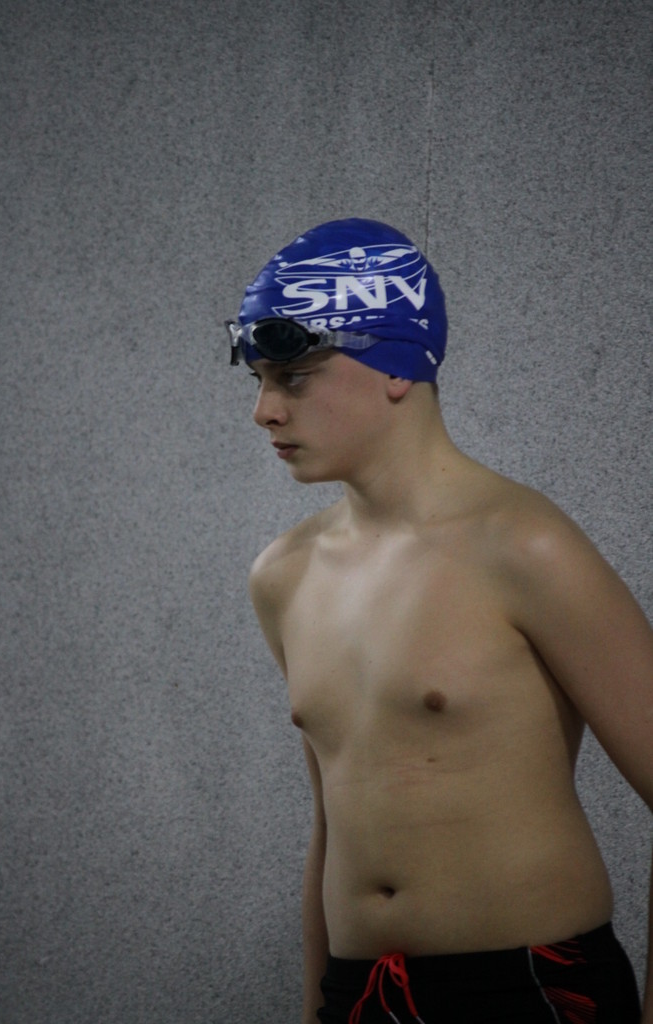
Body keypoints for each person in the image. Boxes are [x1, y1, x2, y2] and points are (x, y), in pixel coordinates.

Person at [228, 218, 652, 1023]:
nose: (263, 411)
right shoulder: (283, 576)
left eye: (291, 378)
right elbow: (334, 822)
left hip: (531, 987)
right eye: (257, 380)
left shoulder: (522, 546)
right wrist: (318, 1007)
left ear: (395, 365)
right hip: (360, 991)